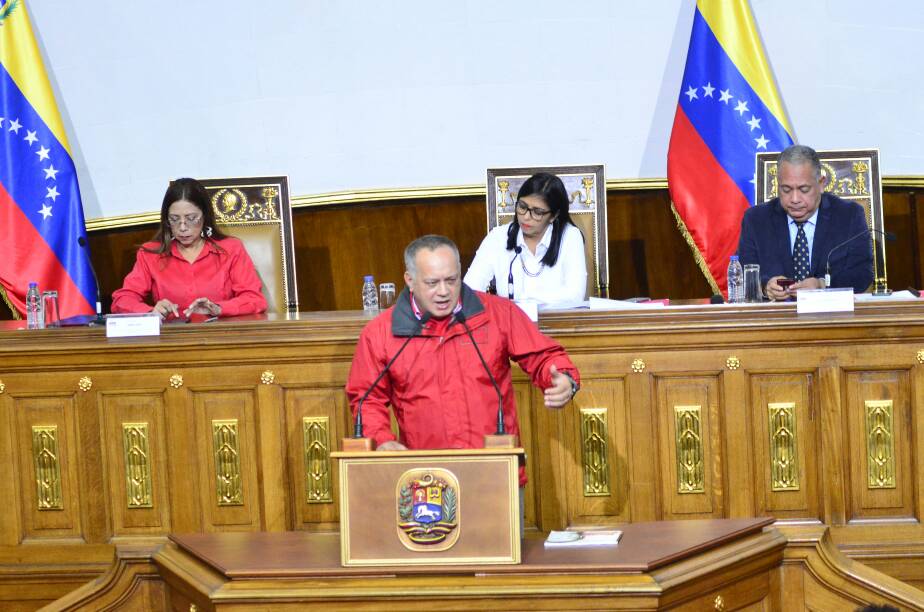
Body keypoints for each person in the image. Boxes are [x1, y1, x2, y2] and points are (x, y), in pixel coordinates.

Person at [345, 235, 580, 484]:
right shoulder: (381, 332)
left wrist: (564, 379)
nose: (444, 292)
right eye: (432, 283)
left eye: (451, 280)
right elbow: (366, 399)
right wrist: (383, 441)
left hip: (495, 472)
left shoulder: (498, 314)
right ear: (410, 281)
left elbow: (544, 356)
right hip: (424, 478)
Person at [111, 178, 267, 318]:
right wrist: (150, 312)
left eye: (191, 219)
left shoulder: (231, 249)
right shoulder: (150, 253)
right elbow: (122, 300)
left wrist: (218, 308)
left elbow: (254, 299)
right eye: (174, 219)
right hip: (170, 341)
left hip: (220, 338)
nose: (183, 227)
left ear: (205, 216)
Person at [738, 144, 873, 301]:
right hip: (776, 318)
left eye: (804, 190)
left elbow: (862, 273)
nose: (795, 199)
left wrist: (822, 285)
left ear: (821, 183)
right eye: (786, 190)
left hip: (831, 316)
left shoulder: (848, 215)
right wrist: (764, 287)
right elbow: (743, 273)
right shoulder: (756, 219)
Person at [464, 172, 587, 306]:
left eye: (537, 212)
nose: (526, 217)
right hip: (510, 324)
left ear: (554, 215)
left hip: (557, 323)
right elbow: (470, 290)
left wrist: (521, 302)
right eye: (522, 207)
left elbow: (575, 295)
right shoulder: (498, 237)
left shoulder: (570, 237)